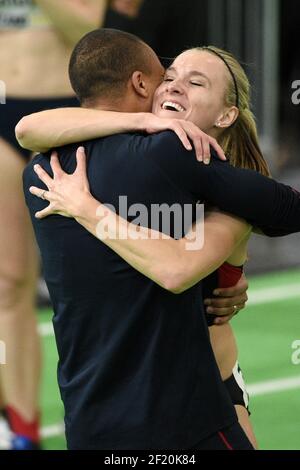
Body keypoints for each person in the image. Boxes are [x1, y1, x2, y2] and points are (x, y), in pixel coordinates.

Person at [21, 29, 300, 450]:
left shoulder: (225, 193)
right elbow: (27, 128)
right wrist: (141, 119)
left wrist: (87, 209)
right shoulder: (155, 156)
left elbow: (175, 269)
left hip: (205, 397)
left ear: (225, 116)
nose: (173, 85)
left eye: (196, 82)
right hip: (147, 409)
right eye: (169, 76)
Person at [0, 0, 108, 450]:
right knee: (8, 281)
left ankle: (116, 423)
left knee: (97, 280)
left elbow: (89, 25)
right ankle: (22, 431)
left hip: (67, 112)